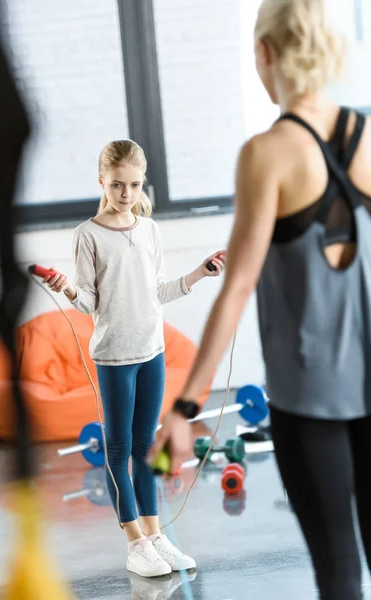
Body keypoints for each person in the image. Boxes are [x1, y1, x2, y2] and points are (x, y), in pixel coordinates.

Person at [150, 0, 371, 598]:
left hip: (312, 401)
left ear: (267, 53)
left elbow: (239, 284)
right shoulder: (368, 133)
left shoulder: (267, 153)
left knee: (339, 571)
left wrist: (185, 407)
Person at [43, 139, 225, 578]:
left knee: (146, 448)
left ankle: (155, 534)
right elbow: (88, 303)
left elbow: (159, 292)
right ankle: (135, 543)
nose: (126, 194)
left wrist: (200, 272)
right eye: (117, 184)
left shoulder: (150, 230)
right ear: (102, 181)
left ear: (143, 183)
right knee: (119, 448)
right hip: (114, 357)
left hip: (152, 352)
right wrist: (67, 288)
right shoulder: (87, 235)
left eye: (135, 185)